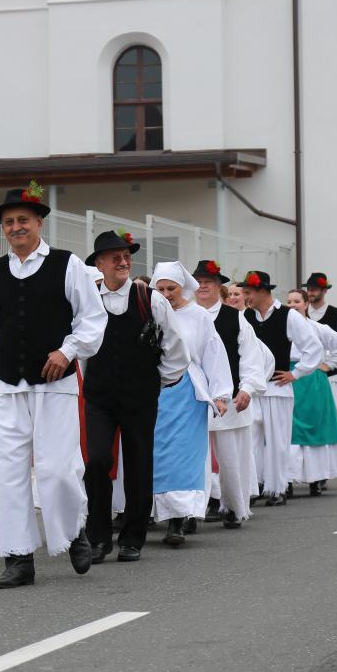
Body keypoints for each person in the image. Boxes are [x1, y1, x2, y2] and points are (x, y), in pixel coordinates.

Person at [0, 186, 107, 589]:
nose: (16, 227)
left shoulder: (68, 265)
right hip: (7, 384)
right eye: (9, 222)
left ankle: (74, 531)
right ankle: (18, 557)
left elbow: (92, 319)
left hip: (54, 384)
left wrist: (67, 351)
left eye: (23, 220)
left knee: (58, 467)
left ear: (39, 223)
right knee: (9, 472)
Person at [82, 231, 188, 564]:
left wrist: (157, 382)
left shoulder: (150, 298)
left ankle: (133, 537)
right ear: (100, 264)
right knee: (97, 460)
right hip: (99, 396)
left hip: (139, 396)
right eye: (115, 257)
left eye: (126, 256)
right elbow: (78, 344)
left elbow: (176, 347)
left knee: (139, 463)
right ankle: (98, 537)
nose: (123, 261)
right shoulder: (87, 297)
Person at [150, 262, 232, 546]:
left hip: (187, 390)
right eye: (160, 289)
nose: (165, 294)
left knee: (183, 456)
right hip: (153, 391)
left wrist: (220, 395)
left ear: (182, 287)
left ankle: (179, 519)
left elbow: (213, 353)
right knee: (156, 455)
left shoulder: (199, 316)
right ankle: (156, 513)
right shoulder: (150, 311)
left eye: (171, 288)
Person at [193, 260, 265, 528]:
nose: (203, 286)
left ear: (218, 286)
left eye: (208, 282)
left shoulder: (235, 318)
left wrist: (247, 388)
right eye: (199, 282)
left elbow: (251, 357)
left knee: (231, 456)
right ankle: (190, 510)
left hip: (231, 398)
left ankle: (234, 506)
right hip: (193, 398)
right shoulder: (185, 315)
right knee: (193, 457)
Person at [240, 270, 322, 504]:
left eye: (248, 292)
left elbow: (313, 348)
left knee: (278, 440)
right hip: (252, 388)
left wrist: (295, 373)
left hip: (277, 387)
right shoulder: (245, 316)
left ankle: (278, 488)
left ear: (262, 291)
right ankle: (254, 486)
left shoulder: (289, 316)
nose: (246, 297)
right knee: (251, 439)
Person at [285, 289, 337, 489]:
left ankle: (317, 476)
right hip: (287, 380)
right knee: (287, 430)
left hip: (312, 383)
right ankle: (287, 478)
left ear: (306, 304)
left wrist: (328, 365)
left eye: (296, 301)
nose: (292, 305)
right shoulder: (282, 328)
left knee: (314, 429)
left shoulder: (317, 327)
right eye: (289, 301)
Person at [304, 272, 337, 405]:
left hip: (330, 377)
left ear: (324, 291)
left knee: (330, 414)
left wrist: (328, 365)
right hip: (305, 378)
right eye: (308, 289)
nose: (310, 293)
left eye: (314, 289)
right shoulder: (301, 314)